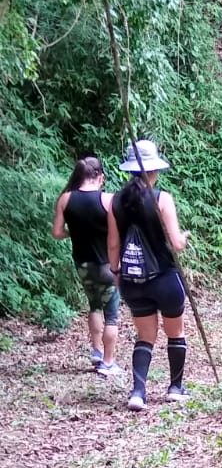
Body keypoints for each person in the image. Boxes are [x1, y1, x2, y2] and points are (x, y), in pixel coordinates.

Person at [107, 140, 190, 412]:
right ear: (153, 170)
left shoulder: (116, 201)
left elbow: (113, 244)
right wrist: (184, 238)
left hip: (132, 279)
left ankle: (138, 392)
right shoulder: (161, 199)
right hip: (164, 277)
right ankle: (175, 387)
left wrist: (117, 271)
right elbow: (176, 243)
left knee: (145, 336)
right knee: (174, 331)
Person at [52, 156, 123, 376]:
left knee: (94, 306)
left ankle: (96, 351)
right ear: (100, 176)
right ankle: (108, 363)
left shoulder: (66, 199)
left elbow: (57, 233)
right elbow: (117, 234)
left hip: (82, 263)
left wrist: (75, 232)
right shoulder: (108, 200)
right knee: (112, 314)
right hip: (106, 264)